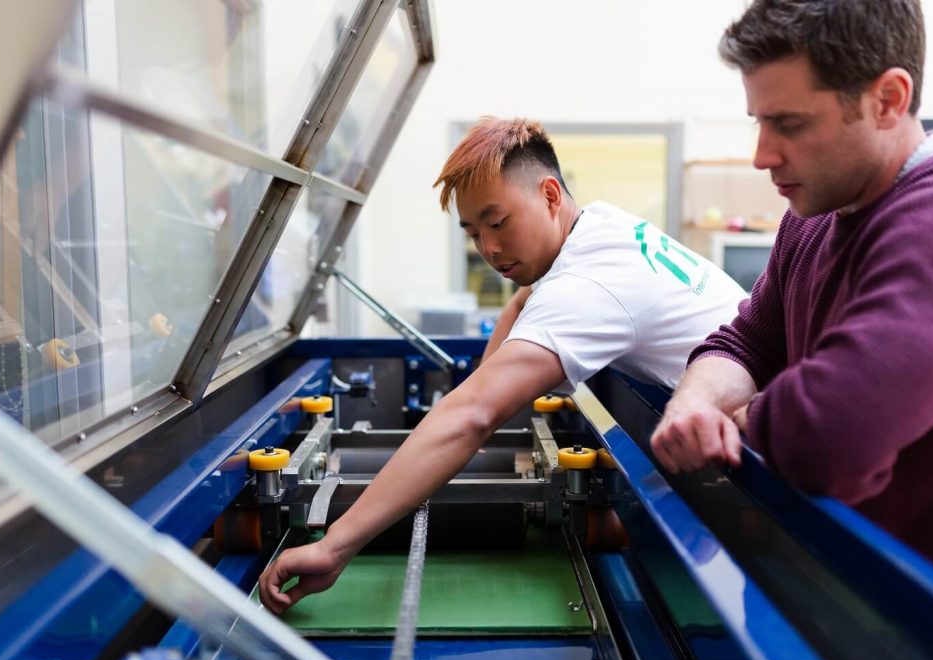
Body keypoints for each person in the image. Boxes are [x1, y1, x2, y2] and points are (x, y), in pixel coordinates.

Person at [259, 117, 747, 613]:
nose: (488, 249)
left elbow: (471, 416)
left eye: (498, 222)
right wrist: (479, 394)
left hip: (762, 464)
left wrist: (334, 544)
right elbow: (522, 310)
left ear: (550, 195)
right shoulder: (599, 225)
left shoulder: (586, 290)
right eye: (473, 232)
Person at [650, 0, 933, 614]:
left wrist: (742, 416)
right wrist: (693, 403)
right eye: (758, 122)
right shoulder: (812, 220)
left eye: (788, 124)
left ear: (889, 99)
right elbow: (744, 343)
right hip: (855, 608)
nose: (763, 154)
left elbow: (827, 434)